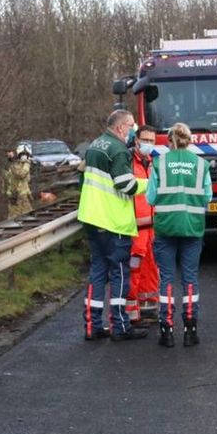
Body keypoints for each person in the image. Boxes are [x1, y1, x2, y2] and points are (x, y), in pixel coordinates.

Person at [78, 110, 149, 341]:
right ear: (120, 127)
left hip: (92, 217)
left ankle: (92, 326)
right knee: (119, 273)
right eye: (131, 126)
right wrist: (149, 184)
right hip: (112, 221)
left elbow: (81, 178)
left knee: (97, 272)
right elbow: (126, 185)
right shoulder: (118, 150)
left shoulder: (95, 145)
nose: (133, 131)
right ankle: (120, 326)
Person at [147, 122, 211, 348]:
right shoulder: (201, 164)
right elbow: (207, 197)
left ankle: (166, 330)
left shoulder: (159, 163)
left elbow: (150, 198)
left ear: (169, 141)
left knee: (166, 278)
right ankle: (190, 329)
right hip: (192, 227)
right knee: (190, 278)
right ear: (190, 140)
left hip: (165, 227)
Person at [127, 125, 160, 325]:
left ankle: (149, 308)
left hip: (152, 226)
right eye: (145, 140)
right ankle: (131, 313)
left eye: (151, 141)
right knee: (134, 268)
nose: (148, 144)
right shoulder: (128, 163)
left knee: (151, 267)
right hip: (135, 226)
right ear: (136, 140)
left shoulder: (152, 163)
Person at [3, 146, 33, 218]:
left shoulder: (20, 164)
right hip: (17, 194)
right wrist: (27, 164)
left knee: (23, 215)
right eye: (23, 155)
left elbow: (25, 179)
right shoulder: (14, 165)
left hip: (20, 194)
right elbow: (20, 174)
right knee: (19, 216)